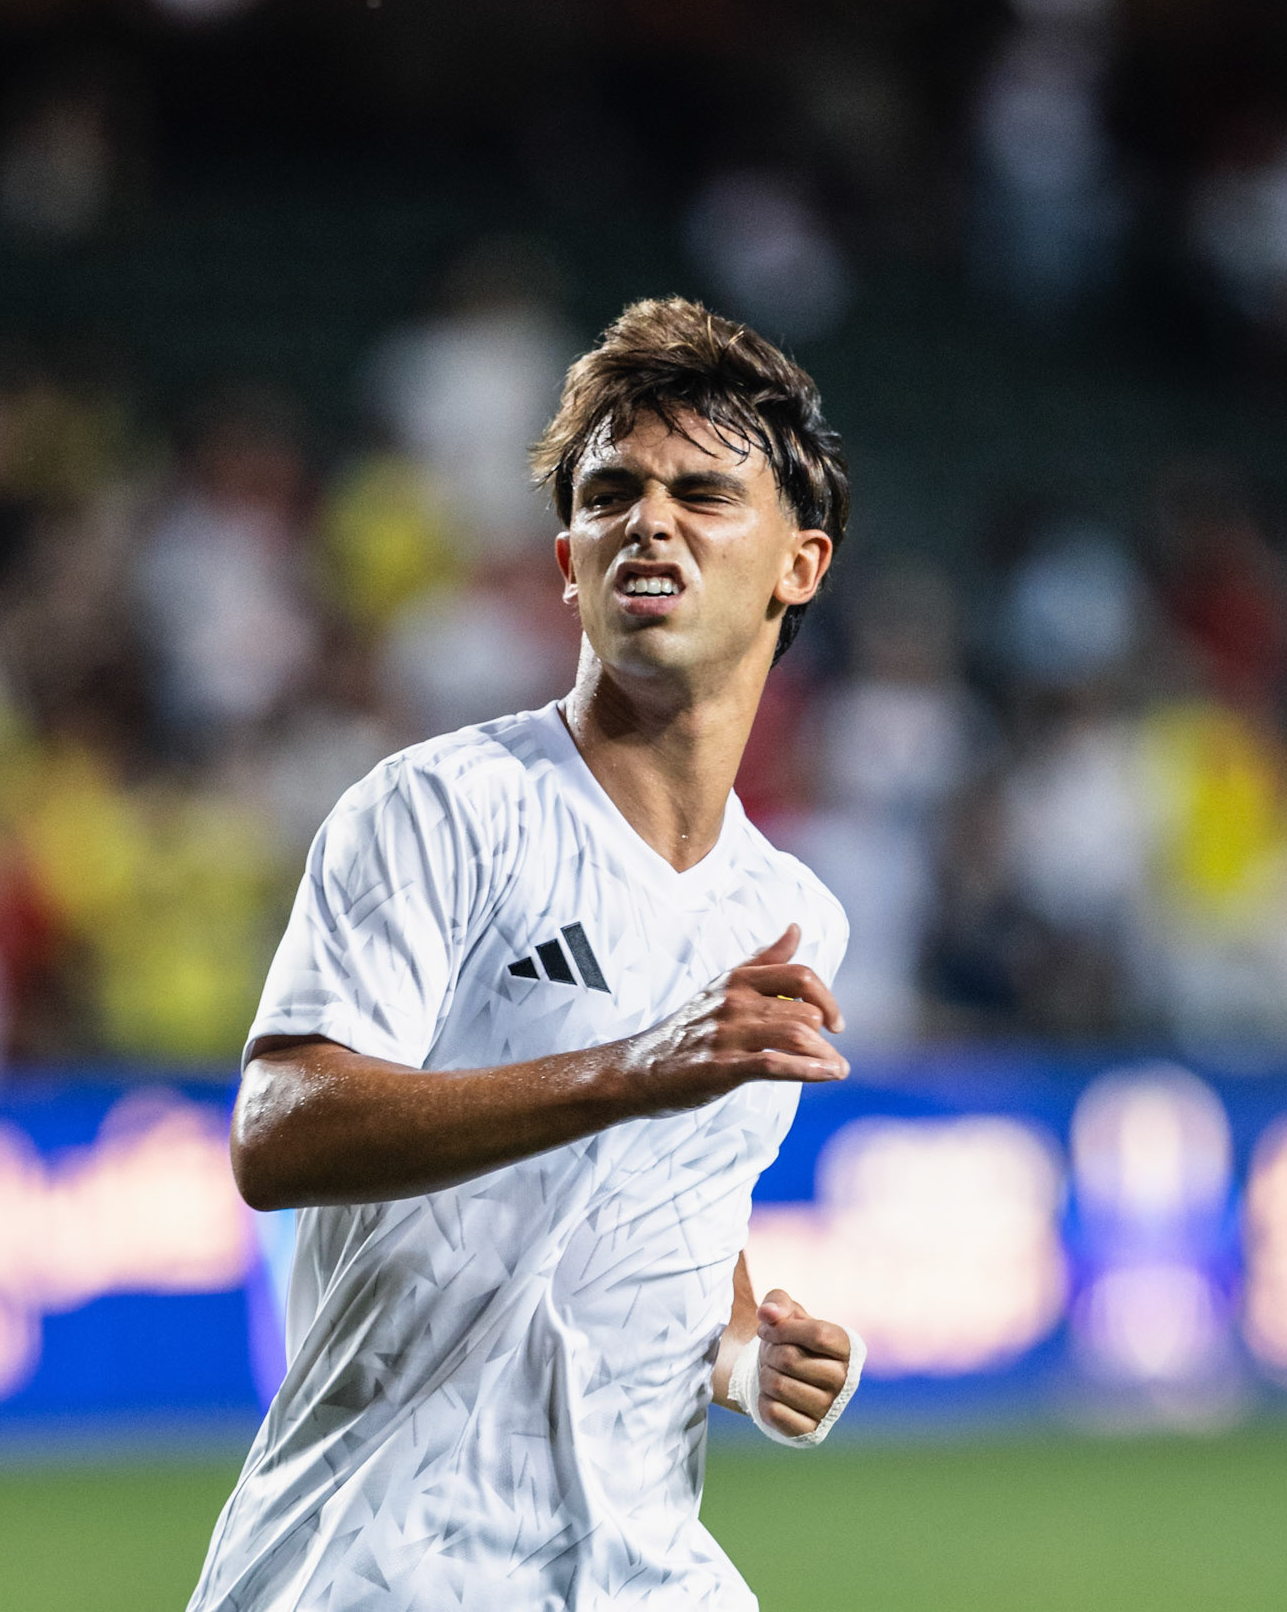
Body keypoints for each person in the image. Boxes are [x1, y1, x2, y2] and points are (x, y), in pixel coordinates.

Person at [189, 297, 864, 1612]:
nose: (648, 522)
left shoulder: (790, 914)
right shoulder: (442, 810)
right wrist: (628, 1067)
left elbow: (662, 1197)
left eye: (702, 492)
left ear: (801, 564)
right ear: (568, 561)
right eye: (610, 493)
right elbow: (278, 1133)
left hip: (642, 1571)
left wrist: (740, 1352)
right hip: (383, 1565)